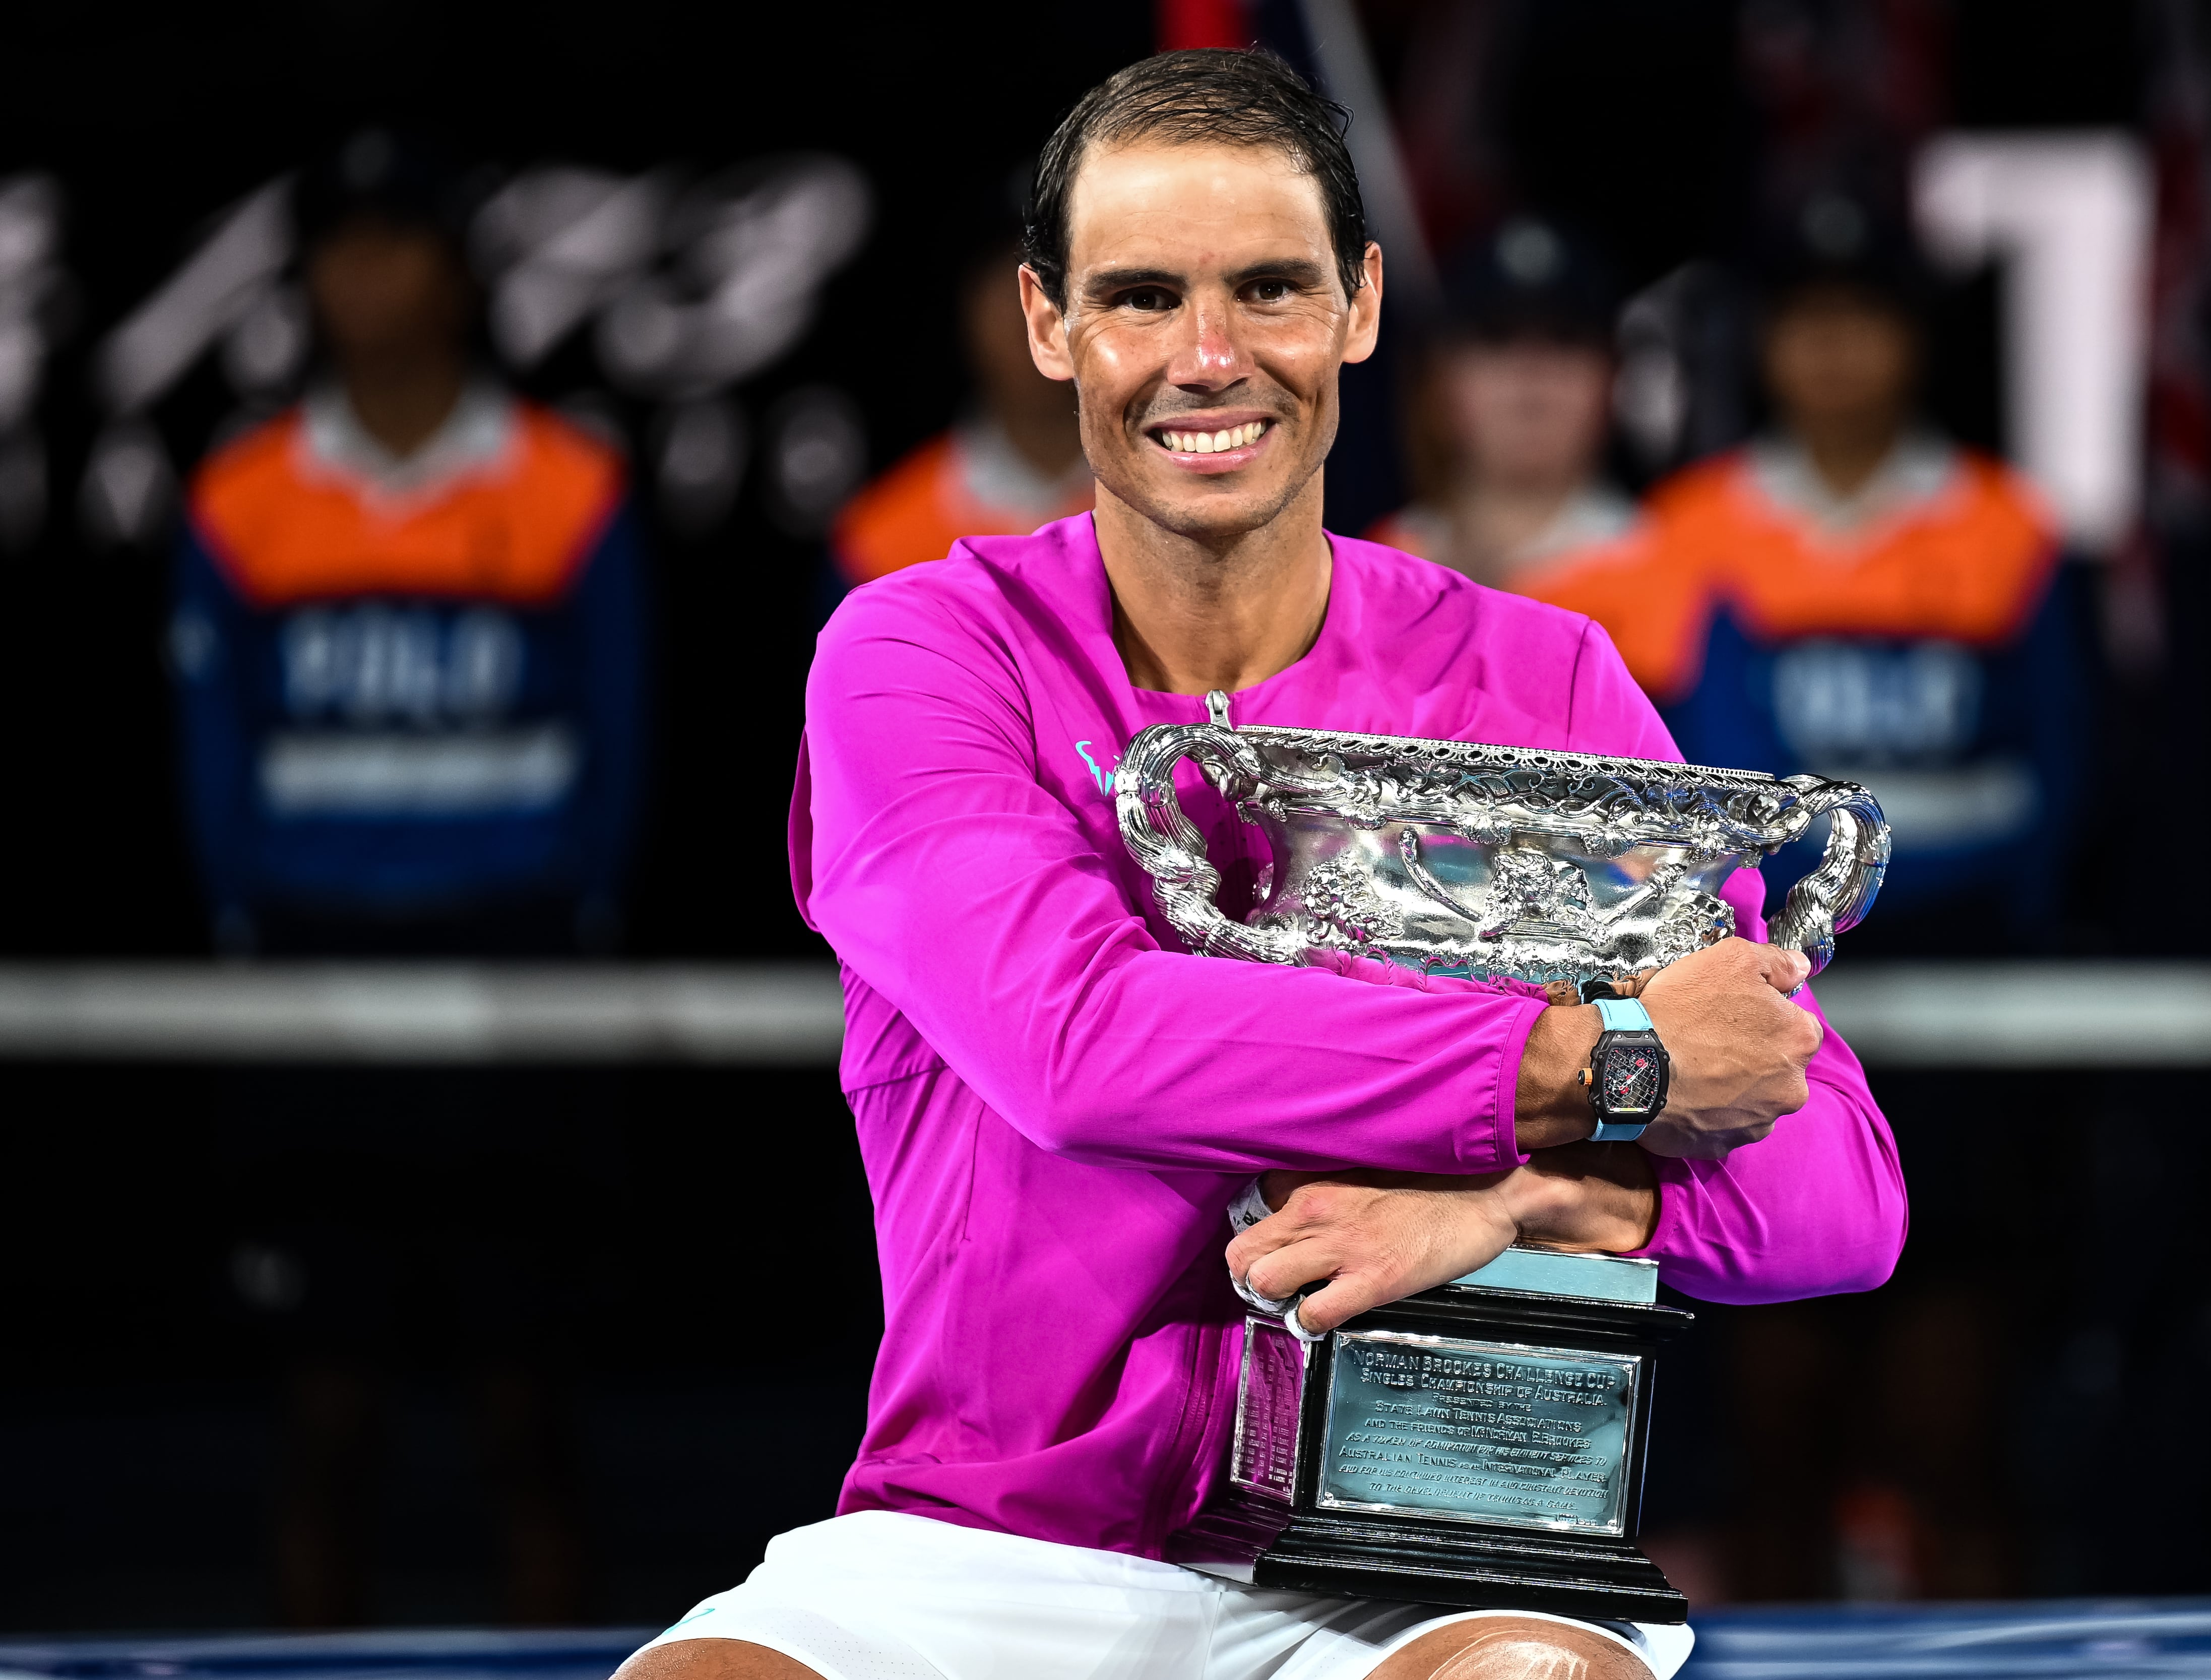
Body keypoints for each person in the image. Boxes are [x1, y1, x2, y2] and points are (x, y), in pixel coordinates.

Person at [620, 51, 1902, 1680]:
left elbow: (1838, 1189)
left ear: (1361, 304)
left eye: (1269, 288)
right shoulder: (924, 654)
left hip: (1441, 1552)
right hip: (986, 1538)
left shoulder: (1551, 677)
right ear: (1046, 322)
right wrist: (1592, 1068)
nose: (1207, 357)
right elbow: (1077, 1045)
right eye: (1142, 295)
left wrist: (1502, 1201)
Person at [169, 130, 640, 1624]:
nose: (368, 278)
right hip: (310, 985)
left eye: (399, 243)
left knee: (526, 1408)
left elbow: (621, 748)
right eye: (340, 245)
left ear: (456, 270)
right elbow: (211, 759)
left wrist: (564, 913)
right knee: (322, 1414)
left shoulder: (569, 489)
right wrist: (266, 921)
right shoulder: (241, 499)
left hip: (515, 980)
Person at [1534, 210, 2084, 951]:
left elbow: (2064, 773)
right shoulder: (1686, 529)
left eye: (1863, 314)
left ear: (1916, 336)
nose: (1833, 344)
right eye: (1805, 317)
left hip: (1982, 938)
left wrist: (2025, 909)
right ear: (1764, 337)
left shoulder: (2012, 528)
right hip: (1749, 942)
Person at [828, 213, 1093, 591]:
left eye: (1059, 286)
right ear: (968, 307)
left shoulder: (1178, 505)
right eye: (1013, 288)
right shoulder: (878, 544)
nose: (1041, 316)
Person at [1368, 218, 1634, 589]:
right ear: (1439, 380)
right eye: (1496, 338)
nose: (1531, 372)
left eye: (1565, 339)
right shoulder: (1373, 569)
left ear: (1613, 380)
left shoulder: (1672, 573)